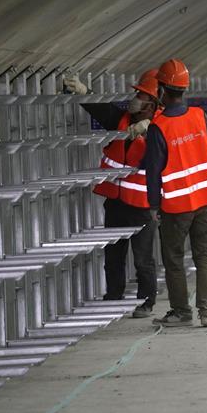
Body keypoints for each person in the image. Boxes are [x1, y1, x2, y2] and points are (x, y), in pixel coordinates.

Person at [65, 70, 161, 318]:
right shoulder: (123, 120)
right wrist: (86, 93)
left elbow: (168, 138)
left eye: (142, 94)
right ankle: (114, 297)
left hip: (142, 205)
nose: (136, 98)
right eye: (137, 93)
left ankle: (146, 300)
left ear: (154, 102)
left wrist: (149, 126)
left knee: (142, 258)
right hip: (116, 201)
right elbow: (102, 110)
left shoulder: (161, 128)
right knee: (114, 254)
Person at [143, 58, 207, 328]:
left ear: (162, 89)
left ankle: (181, 312)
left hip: (176, 205)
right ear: (185, 88)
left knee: (174, 258)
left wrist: (153, 205)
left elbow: (153, 171)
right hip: (205, 199)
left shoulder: (158, 127)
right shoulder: (200, 116)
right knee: (203, 256)